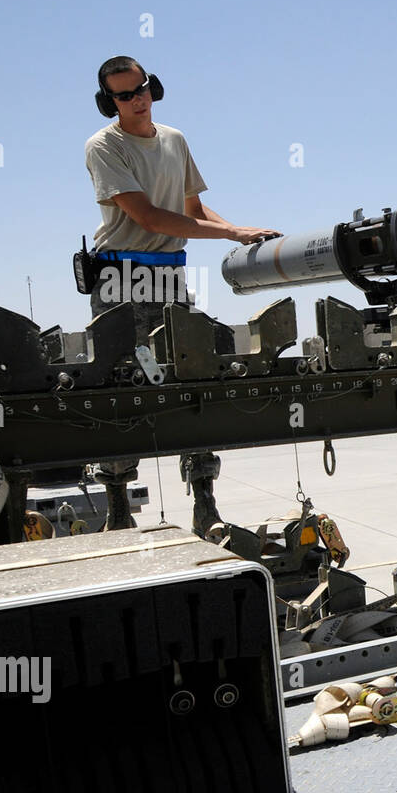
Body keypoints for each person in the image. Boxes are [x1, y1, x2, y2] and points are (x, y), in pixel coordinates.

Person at [84, 55, 281, 531]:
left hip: (170, 275)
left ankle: (205, 502)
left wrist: (240, 230)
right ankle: (117, 506)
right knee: (122, 388)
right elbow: (148, 216)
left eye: (143, 88)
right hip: (121, 279)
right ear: (107, 102)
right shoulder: (103, 146)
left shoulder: (174, 140)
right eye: (125, 95)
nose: (138, 100)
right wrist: (230, 234)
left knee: (194, 380)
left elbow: (191, 207)